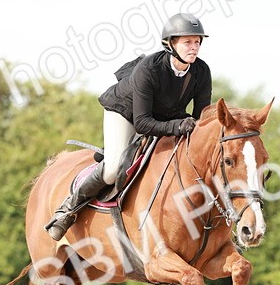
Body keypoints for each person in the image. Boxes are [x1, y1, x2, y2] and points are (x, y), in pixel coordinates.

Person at [45, 12, 213, 240]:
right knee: (114, 168)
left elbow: (201, 117)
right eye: (187, 42)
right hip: (126, 112)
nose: (194, 47)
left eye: (197, 42)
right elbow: (142, 124)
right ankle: (67, 209)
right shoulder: (149, 69)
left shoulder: (202, 71)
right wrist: (177, 126)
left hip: (164, 116)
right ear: (170, 44)